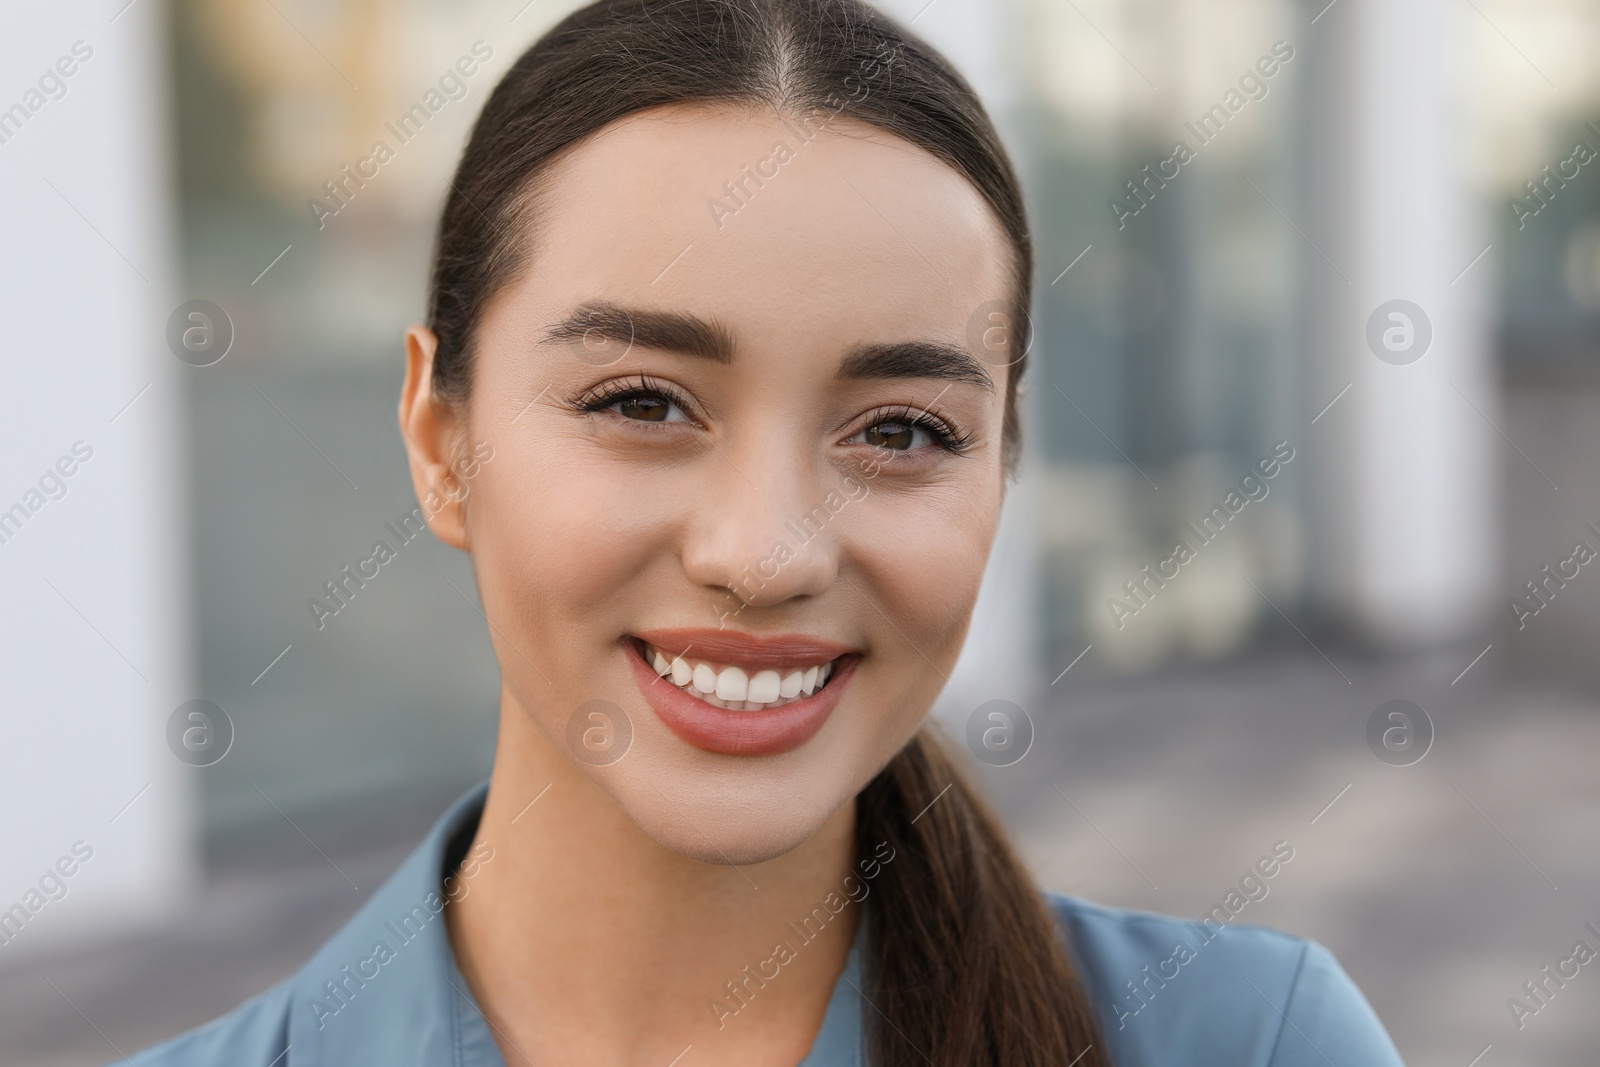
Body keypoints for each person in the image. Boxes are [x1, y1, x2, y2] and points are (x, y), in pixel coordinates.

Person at [125, 1, 1405, 1063]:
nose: (766, 551)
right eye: (640, 401)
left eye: (901, 431)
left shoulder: (1255, 1041)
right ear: (438, 439)